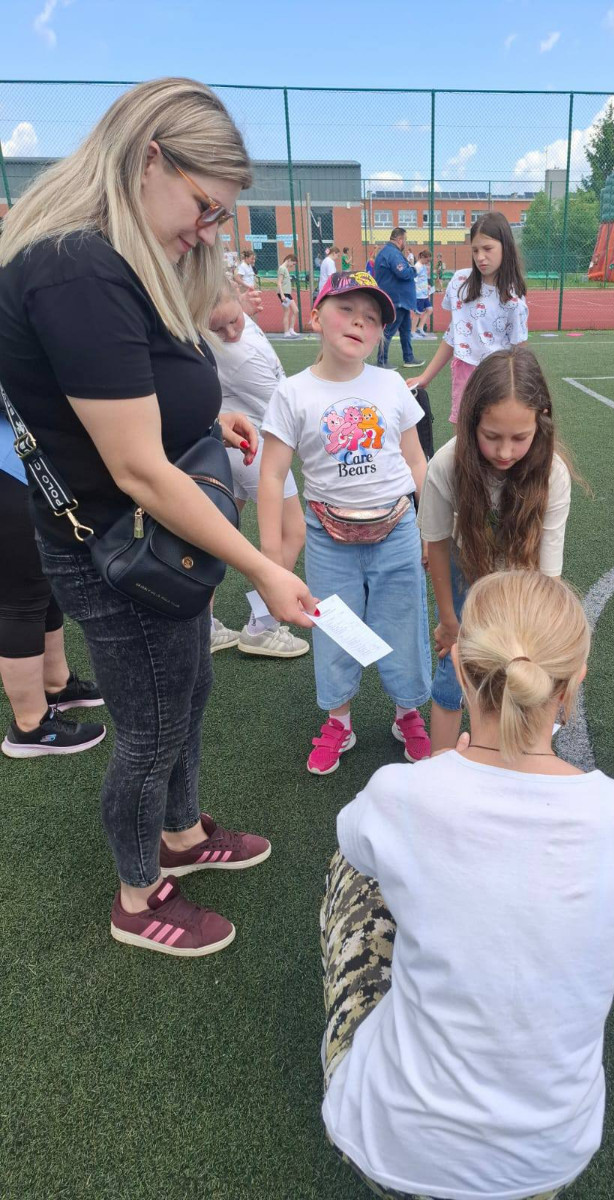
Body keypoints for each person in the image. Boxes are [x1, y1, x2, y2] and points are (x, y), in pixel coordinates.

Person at [0, 77, 318, 957]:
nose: (208, 231)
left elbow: (128, 395)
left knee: (188, 691)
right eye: (205, 206)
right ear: (150, 159)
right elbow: (136, 467)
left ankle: (181, 833)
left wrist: (210, 416)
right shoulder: (75, 269)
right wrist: (264, 567)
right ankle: (138, 897)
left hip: (146, 536)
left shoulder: (110, 255)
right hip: (118, 548)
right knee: (150, 729)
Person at [320, 569, 614, 1200]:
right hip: (544, 1166)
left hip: (387, 1145)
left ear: (462, 674)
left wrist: (440, 779)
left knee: (352, 866)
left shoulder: (401, 794)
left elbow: (359, 847)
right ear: (572, 685)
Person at [257, 270, 431, 775]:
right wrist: (271, 559)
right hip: (328, 537)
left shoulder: (390, 384)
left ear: (379, 333)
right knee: (334, 627)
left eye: (372, 318)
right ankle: (339, 721)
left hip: (397, 530)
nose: (359, 323)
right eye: (346, 310)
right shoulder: (293, 393)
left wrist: (432, 530)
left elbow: (417, 462)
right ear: (315, 316)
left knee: (403, 623)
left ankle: (407, 713)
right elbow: (272, 476)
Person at [418, 346, 572, 752]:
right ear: (472, 423)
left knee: (519, 669)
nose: (505, 452)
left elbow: (548, 573)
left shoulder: (553, 474)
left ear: (541, 422)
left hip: (523, 577)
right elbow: (437, 546)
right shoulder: (446, 465)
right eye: (492, 437)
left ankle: (514, 762)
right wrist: (449, 620)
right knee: (453, 667)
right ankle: (440, 769)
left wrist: (540, 631)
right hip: (466, 564)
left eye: (520, 438)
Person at [207, 280, 309, 659]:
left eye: (234, 320)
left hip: (231, 440)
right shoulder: (239, 357)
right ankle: (262, 626)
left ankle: (202, 625)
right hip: (254, 443)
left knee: (217, 532)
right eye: (218, 329)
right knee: (291, 530)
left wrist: (244, 312)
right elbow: (283, 405)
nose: (231, 333)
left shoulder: (225, 327)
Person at [0, 412, 106, 758]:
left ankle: (56, 685)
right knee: (21, 596)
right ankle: (30, 725)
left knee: (41, 579)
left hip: (26, 459)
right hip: (8, 461)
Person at [406, 212, 529, 423]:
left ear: (506, 247)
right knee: (464, 430)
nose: (480, 257)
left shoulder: (514, 298)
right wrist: (425, 377)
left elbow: (520, 349)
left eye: (488, 248)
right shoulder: (460, 282)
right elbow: (454, 335)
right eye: (475, 250)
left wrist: (524, 391)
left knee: (494, 431)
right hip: (464, 371)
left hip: (498, 376)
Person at [373, 227, 423, 370]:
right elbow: (403, 273)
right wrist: (416, 268)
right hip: (397, 300)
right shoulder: (393, 253)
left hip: (400, 301)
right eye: (405, 240)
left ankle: (409, 358)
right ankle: (382, 361)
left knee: (406, 331)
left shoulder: (388, 252)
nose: (405, 243)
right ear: (400, 239)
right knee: (389, 331)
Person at [410, 248, 434, 339]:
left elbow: (423, 279)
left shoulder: (423, 266)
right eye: (427, 260)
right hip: (419, 295)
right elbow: (413, 280)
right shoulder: (417, 267)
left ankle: (420, 328)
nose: (428, 262)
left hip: (424, 294)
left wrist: (427, 286)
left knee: (429, 310)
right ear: (423, 257)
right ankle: (412, 332)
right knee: (418, 313)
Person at [276, 252, 300, 338]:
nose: (292, 266)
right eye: (293, 264)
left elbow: (284, 282)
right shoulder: (282, 268)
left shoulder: (285, 268)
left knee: (295, 310)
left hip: (287, 293)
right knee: (287, 312)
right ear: (289, 260)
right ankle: (286, 332)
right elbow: (279, 282)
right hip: (284, 294)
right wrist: (282, 295)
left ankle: (291, 329)